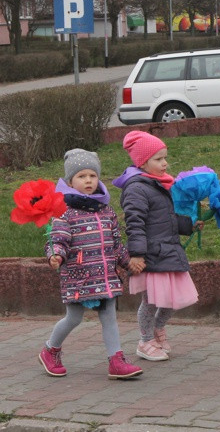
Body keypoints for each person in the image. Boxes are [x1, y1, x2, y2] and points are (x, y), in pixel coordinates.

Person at [39, 149, 143, 380]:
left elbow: (116, 243)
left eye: (92, 176)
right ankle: (50, 350)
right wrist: (56, 255)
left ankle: (116, 361)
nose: (88, 181)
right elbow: (57, 240)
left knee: (109, 317)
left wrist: (128, 263)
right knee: (73, 318)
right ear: (69, 181)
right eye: (82, 176)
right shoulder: (64, 212)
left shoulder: (106, 210)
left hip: (105, 275)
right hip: (78, 276)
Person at [112, 130, 203, 362]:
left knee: (172, 299)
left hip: (168, 250)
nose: (165, 163)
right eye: (158, 159)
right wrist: (137, 254)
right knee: (151, 301)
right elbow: (134, 223)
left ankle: (157, 329)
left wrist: (190, 225)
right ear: (142, 162)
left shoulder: (159, 184)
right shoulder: (137, 188)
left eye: (165, 157)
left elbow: (167, 218)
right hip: (151, 254)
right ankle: (144, 341)